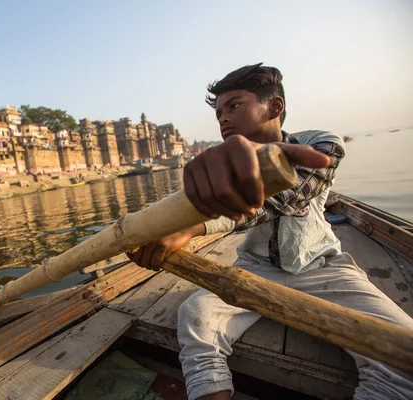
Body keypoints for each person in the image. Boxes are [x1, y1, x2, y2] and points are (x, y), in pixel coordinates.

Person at [128, 63, 413, 400]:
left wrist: (192, 227)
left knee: (403, 355)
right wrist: (175, 227)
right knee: (196, 315)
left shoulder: (321, 143)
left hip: (323, 269)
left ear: (274, 107)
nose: (223, 119)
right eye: (218, 113)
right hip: (255, 270)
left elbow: (289, 198)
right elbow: (217, 209)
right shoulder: (226, 163)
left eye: (234, 105)